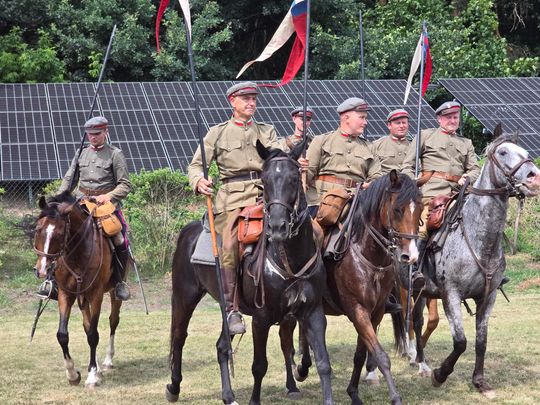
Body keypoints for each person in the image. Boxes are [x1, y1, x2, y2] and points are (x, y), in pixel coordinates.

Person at [187, 82, 282, 335]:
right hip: (232, 201)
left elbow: (280, 158)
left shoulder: (267, 131)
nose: (251, 103)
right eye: (246, 99)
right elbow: (195, 166)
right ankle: (232, 309)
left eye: (254, 98)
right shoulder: (217, 133)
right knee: (229, 246)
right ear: (233, 101)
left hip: (265, 196)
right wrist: (199, 181)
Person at [37, 116, 133, 301]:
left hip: (105, 206)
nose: (93, 137)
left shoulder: (115, 154)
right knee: (58, 234)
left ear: (106, 132)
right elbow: (69, 179)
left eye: (97, 133)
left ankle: (119, 282)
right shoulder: (81, 153)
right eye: (90, 134)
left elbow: (125, 184)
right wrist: (57, 201)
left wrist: (108, 196)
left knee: (119, 239)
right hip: (81, 204)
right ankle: (52, 282)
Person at [402, 101, 480, 288]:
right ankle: (414, 270)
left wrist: (467, 178)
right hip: (431, 194)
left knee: (483, 220)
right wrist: (414, 184)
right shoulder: (425, 136)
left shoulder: (466, 143)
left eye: (455, 117)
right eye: (448, 117)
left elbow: (475, 169)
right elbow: (406, 166)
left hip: (459, 195)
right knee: (422, 225)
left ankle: (489, 270)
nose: (453, 120)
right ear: (439, 119)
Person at [305, 97, 382, 217]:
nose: (365, 122)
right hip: (322, 201)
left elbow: (377, 177)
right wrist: (301, 170)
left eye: (365, 118)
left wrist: (371, 185)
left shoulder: (370, 147)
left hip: (356, 201)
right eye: (361, 117)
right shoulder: (322, 141)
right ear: (346, 118)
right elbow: (307, 175)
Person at [371, 109, 411, 174]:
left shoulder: (414, 146)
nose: (401, 126)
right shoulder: (377, 145)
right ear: (389, 126)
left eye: (404, 123)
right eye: (398, 123)